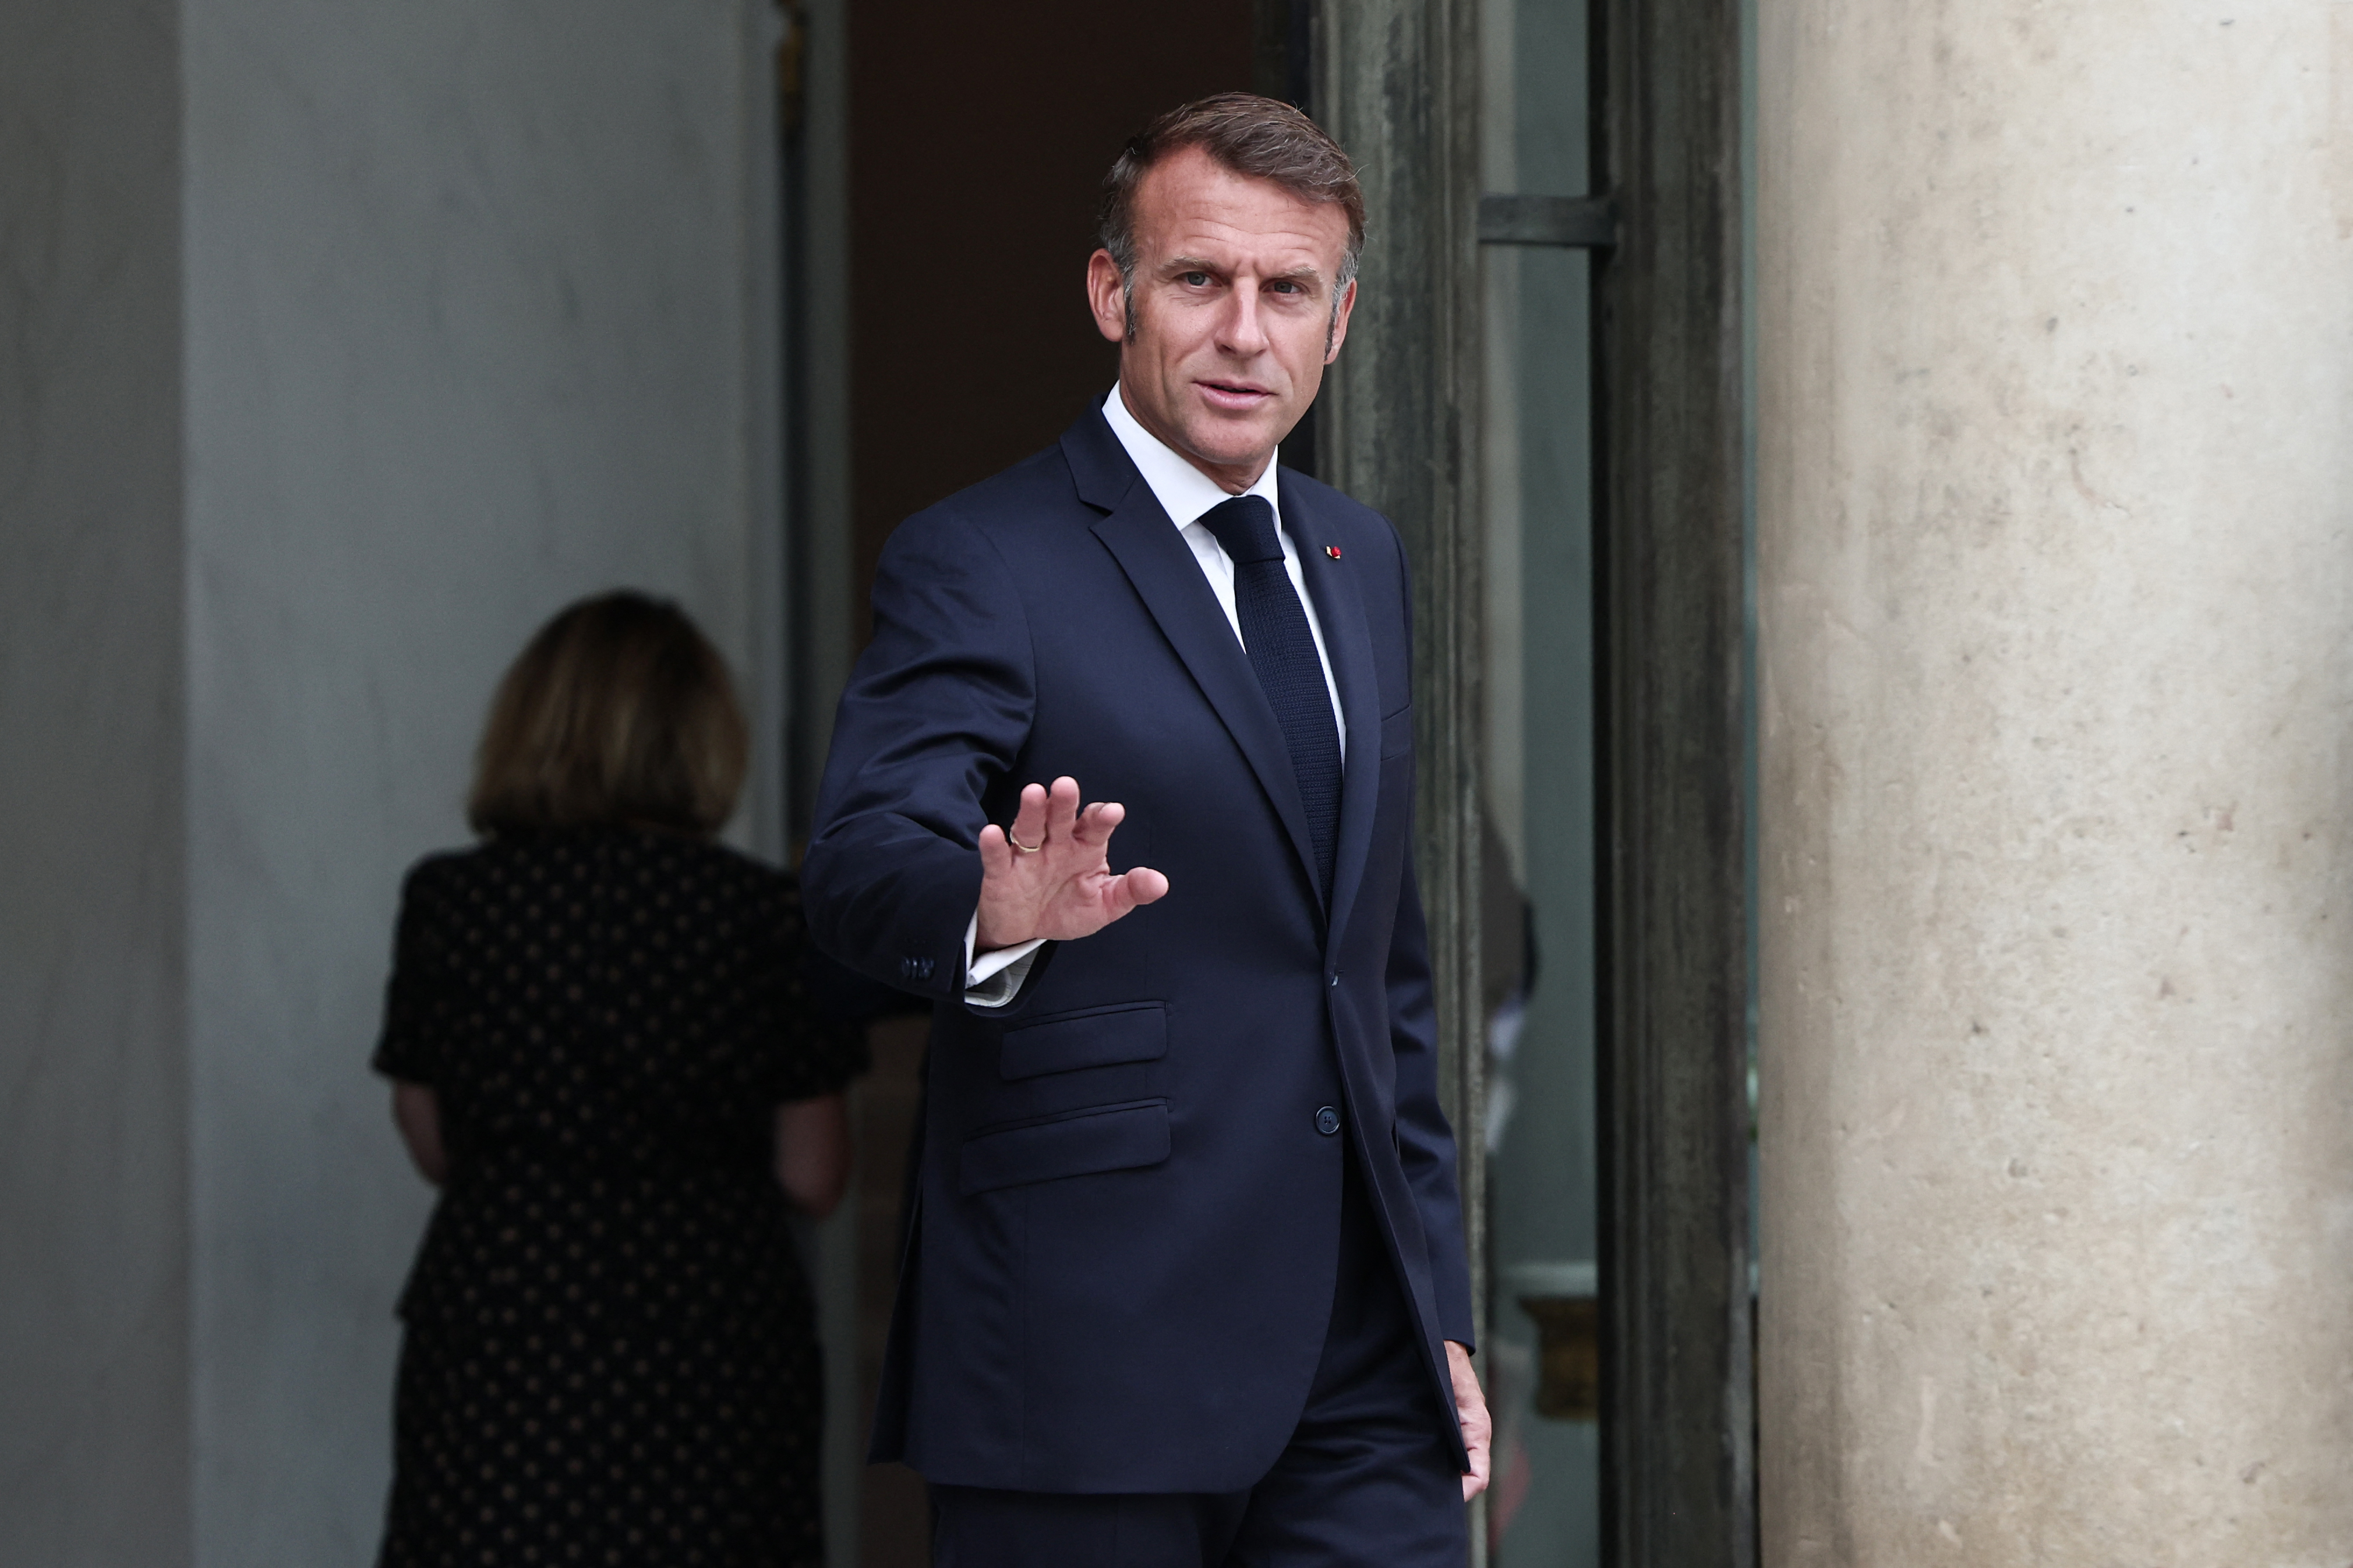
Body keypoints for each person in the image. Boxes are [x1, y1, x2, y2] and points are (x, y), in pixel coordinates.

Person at [803, 93, 1491, 1565]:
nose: (1246, 331)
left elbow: (1378, 981)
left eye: (1287, 290)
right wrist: (992, 916)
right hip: (1086, 1351)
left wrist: (1440, 1315)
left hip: (1361, 1364)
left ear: (1341, 319)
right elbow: (863, 861)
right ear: (1114, 293)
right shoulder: (980, 557)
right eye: (1200, 280)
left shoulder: (1358, 557)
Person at [372, 591, 865, 1568]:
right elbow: (813, 1172)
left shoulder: (453, 902)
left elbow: (432, 1138)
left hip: (500, 1320)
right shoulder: (760, 915)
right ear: (700, 737)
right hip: (710, 1330)